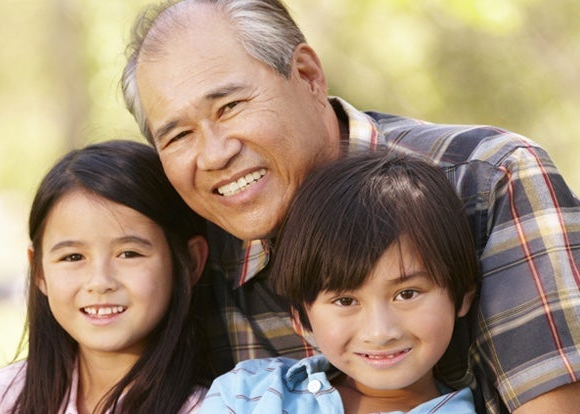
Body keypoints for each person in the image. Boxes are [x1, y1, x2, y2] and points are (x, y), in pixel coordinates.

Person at [120, 0, 580, 412]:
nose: (215, 154)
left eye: (231, 106)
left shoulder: (486, 178)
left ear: (307, 76)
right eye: (178, 135)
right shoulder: (195, 247)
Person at [200, 152, 479, 413]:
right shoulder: (247, 393)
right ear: (299, 314)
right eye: (345, 301)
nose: (380, 333)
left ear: (462, 294)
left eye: (407, 294)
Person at [0, 140, 211, 414]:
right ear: (39, 271)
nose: (100, 282)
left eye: (129, 254)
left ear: (190, 261)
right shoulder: (5, 397)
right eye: (73, 257)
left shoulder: (209, 408)